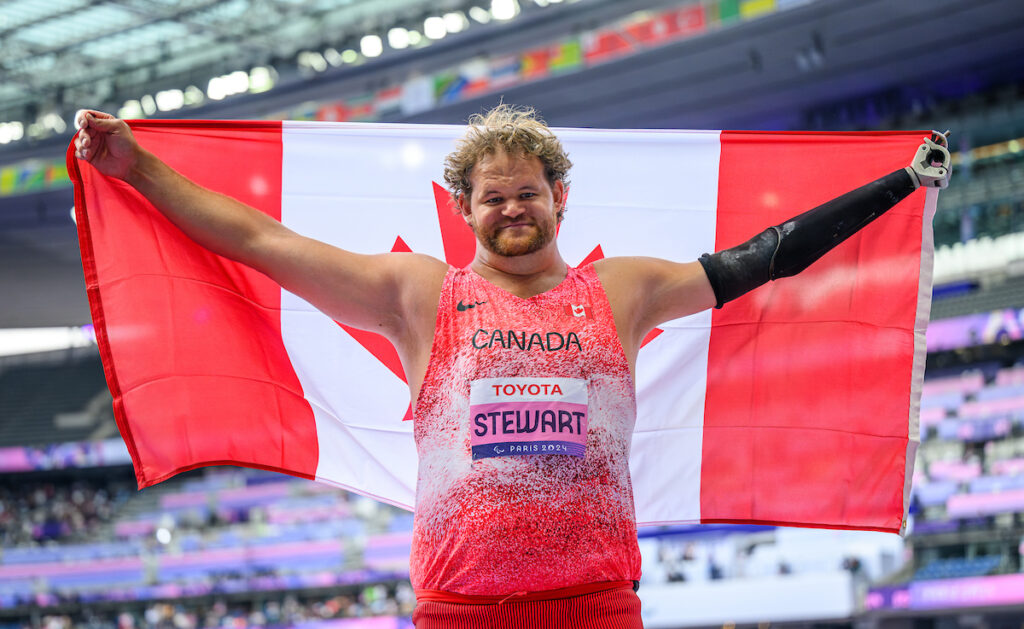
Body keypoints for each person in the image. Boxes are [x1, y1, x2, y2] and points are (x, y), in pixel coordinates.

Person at [73, 105, 950, 628]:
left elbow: (762, 257)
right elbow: (260, 240)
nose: (512, 208)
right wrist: (137, 164)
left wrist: (898, 187)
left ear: (560, 196)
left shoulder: (625, 289)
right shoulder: (420, 295)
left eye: (528, 190)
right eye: (492, 196)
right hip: (457, 614)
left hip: (598, 608)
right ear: (465, 209)